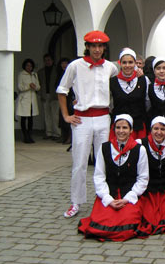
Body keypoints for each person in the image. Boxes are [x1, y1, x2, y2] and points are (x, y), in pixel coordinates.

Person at [57, 30, 119, 218]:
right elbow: (62, 89)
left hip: (102, 117)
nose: (97, 50)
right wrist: (66, 115)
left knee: (104, 161)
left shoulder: (110, 67)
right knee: (79, 162)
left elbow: (124, 75)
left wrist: (138, 69)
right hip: (81, 118)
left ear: (104, 48)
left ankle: (104, 199)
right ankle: (76, 202)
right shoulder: (76, 66)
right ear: (88, 47)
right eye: (94, 46)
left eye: (100, 46)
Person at [78, 114, 149, 241]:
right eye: (118, 127)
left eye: (125, 128)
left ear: (131, 130)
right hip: (109, 194)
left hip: (128, 196)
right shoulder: (104, 148)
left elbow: (143, 179)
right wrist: (108, 199)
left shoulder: (140, 150)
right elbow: (99, 176)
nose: (121, 131)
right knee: (102, 223)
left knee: (126, 222)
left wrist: (127, 199)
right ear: (113, 129)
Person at [136, 116, 165, 236]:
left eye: (163, 129)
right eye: (156, 128)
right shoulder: (141, 144)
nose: (159, 132)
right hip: (149, 186)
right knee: (149, 215)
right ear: (150, 130)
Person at [110, 48, 149, 139]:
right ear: (120, 63)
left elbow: (147, 102)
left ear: (135, 63)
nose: (127, 65)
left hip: (138, 126)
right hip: (119, 127)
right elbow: (110, 104)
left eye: (130, 62)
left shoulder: (143, 80)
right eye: (124, 62)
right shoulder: (113, 81)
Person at [17, 58, 41, 144]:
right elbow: (20, 87)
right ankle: (25, 135)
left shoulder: (34, 74)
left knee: (31, 118)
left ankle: (30, 135)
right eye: (27, 65)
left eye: (30, 66)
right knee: (24, 118)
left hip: (32, 99)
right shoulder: (21, 74)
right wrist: (28, 86)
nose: (29, 67)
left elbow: (38, 87)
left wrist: (35, 87)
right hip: (24, 99)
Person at [38, 53, 61, 140]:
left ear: (52, 60)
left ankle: (57, 133)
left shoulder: (57, 71)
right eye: (46, 60)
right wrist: (40, 93)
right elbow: (39, 83)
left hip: (54, 95)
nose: (47, 62)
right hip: (45, 94)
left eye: (49, 60)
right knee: (47, 115)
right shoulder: (41, 72)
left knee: (55, 115)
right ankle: (49, 132)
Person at [56, 58, 73, 145]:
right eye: (62, 63)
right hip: (62, 97)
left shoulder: (71, 72)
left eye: (66, 63)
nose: (64, 65)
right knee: (62, 119)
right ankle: (63, 136)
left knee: (70, 117)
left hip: (70, 98)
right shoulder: (59, 73)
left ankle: (69, 137)